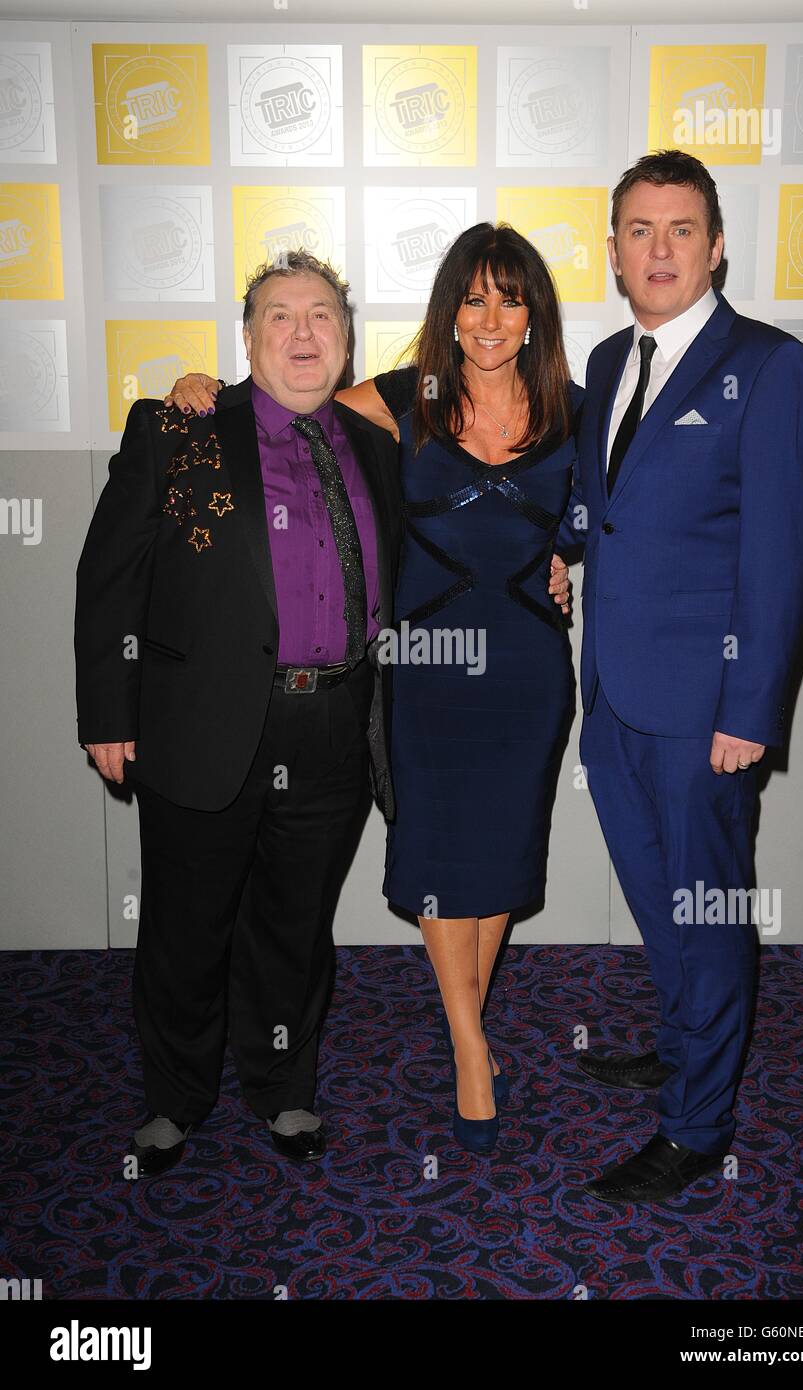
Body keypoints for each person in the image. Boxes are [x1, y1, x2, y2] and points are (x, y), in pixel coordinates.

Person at [166, 222, 582, 1154]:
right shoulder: (403, 398)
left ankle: (468, 1030)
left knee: (503, 856)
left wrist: (566, 553)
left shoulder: (572, 410)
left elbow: (606, 516)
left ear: (532, 314)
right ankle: (471, 1047)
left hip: (524, 669)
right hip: (427, 674)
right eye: (471, 298)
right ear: (449, 310)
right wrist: (201, 392)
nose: (488, 318)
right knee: (439, 855)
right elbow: (282, 401)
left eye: (507, 298)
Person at [75, 252, 404, 1177]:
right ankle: (175, 1099)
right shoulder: (178, 430)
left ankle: (281, 1085)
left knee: (294, 924)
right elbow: (109, 582)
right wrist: (108, 709)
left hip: (333, 722)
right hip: (203, 720)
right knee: (185, 922)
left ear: (346, 337)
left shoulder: (377, 446)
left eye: (322, 317)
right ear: (248, 338)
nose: (303, 334)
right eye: (279, 317)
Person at [555, 150, 803, 1204]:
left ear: (716, 246)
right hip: (615, 698)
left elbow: (781, 555)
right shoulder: (606, 365)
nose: (657, 249)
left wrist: (749, 709)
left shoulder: (771, 366)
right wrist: (557, 547)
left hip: (706, 710)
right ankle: (682, 1047)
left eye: (679, 229)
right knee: (663, 903)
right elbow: (601, 509)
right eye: (637, 229)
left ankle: (699, 1127)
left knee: (708, 912)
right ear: (614, 249)